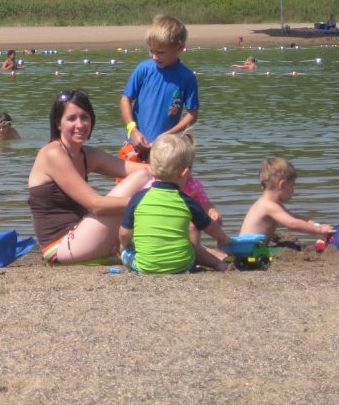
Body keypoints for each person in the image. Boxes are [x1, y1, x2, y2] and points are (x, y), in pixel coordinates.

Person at [27, 89, 151, 264]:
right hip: (60, 247)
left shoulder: (87, 155)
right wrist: (148, 202)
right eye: (71, 118)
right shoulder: (53, 153)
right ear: (58, 124)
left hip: (83, 235)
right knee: (141, 185)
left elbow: (145, 171)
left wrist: (172, 163)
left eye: (84, 117)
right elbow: (96, 205)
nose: (80, 124)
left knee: (144, 175)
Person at [118, 133, 231, 273]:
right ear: (184, 173)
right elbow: (210, 227)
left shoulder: (138, 198)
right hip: (183, 264)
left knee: (127, 252)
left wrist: (126, 246)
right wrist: (224, 239)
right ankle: (220, 265)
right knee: (192, 246)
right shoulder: (187, 201)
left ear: (151, 169)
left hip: (145, 266)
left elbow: (124, 233)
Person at [119, 15, 198, 164]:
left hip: (164, 150)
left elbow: (192, 114)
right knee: (127, 186)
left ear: (180, 47)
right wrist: (133, 130)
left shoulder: (187, 77)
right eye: (151, 51)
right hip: (134, 144)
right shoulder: (144, 69)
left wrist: (167, 136)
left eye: (161, 52)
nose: (154, 57)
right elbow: (125, 100)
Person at [239, 157, 335, 239]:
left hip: (251, 248)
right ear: (283, 184)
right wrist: (319, 230)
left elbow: (294, 217)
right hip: (247, 250)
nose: (294, 190)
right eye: (292, 186)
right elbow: (292, 224)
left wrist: (316, 225)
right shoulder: (268, 206)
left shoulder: (270, 203)